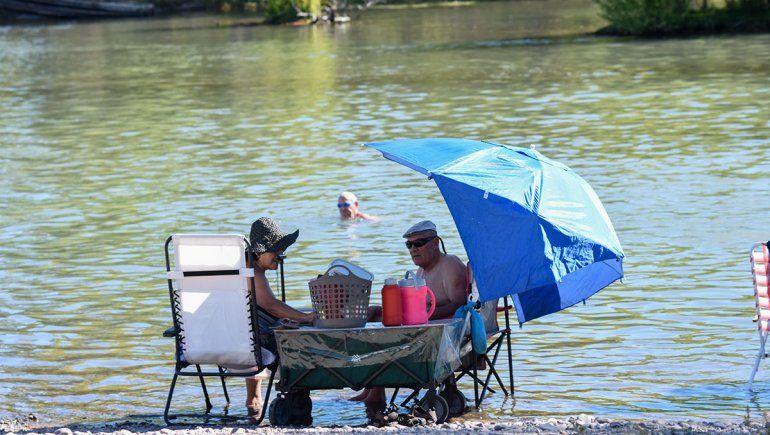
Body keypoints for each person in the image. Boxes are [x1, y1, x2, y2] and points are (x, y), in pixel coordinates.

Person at [245, 217, 315, 419]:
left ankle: (253, 401)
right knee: (297, 342)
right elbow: (272, 306)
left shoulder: (233, 269)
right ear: (260, 250)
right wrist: (305, 318)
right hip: (251, 346)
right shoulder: (253, 273)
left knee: (254, 329)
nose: (281, 254)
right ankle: (295, 402)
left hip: (213, 341)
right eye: (277, 249)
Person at [403, 220, 467, 320]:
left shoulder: (449, 265)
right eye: (409, 245)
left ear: (435, 243)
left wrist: (425, 314)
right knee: (374, 313)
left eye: (418, 243)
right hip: (426, 327)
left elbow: (461, 305)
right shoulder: (421, 271)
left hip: (450, 331)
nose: (413, 249)